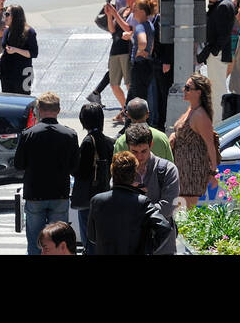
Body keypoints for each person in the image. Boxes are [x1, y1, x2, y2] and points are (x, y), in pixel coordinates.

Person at [14, 90, 80, 256]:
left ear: (39, 110)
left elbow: (19, 164)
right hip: (59, 193)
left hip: (35, 194)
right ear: (58, 110)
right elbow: (74, 167)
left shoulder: (28, 134)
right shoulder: (70, 135)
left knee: (36, 243)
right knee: (59, 242)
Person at [84, 151, 174, 255]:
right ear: (134, 174)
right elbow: (165, 228)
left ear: (112, 171)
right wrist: (146, 249)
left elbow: (92, 237)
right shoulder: (141, 202)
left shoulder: (97, 201)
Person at [123, 124, 179, 253]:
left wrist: (135, 214)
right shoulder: (122, 171)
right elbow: (116, 202)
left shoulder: (167, 169)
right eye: (134, 152)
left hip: (162, 245)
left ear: (151, 145)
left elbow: (168, 207)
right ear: (128, 147)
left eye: (144, 151)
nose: (139, 157)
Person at [170, 74, 219, 208]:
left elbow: (210, 145)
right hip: (182, 168)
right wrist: (174, 136)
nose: (183, 90)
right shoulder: (191, 110)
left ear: (198, 92)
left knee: (185, 211)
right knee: (180, 211)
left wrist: (213, 172)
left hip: (192, 170)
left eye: (187, 88)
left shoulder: (200, 115)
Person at [71, 102, 113, 250]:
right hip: (106, 194)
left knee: (89, 239)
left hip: (88, 196)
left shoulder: (88, 142)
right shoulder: (109, 142)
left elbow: (80, 171)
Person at [0, 4, 38, 95]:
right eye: (5, 13)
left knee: (23, 98)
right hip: (7, 72)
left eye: (7, 14)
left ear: (15, 16)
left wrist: (16, 50)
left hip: (22, 73)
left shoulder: (29, 32)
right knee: (8, 100)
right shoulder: (7, 30)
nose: (5, 16)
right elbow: (5, 48)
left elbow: (34, 53)